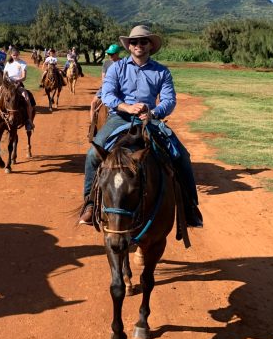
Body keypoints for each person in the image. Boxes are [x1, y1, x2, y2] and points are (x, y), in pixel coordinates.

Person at [78, 25, 203, 227]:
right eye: (134, 42)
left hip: (149, 119)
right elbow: (108, 94)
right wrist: (127, 107)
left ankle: (190, 207)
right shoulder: (116, 68)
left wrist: (152, 112)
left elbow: (169, 100)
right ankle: (90, 203)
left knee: (182, 156)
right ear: (129, 46)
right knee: (93, 155)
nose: (138, 45)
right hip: (120, 117)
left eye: (143, 41)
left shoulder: (162, 72)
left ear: (150, 45)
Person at [0, 48, 35, 131]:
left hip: (17, 85)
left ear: (19, 53)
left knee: (26, 98)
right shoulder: (8, 63)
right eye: (13, 55)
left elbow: (24, 77)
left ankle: (28, 121)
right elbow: (4, 74)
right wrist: (5, 81)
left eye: (17, 54)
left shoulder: (23, 63)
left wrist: (17, 80)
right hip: (7, 85)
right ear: (11, 55)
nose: (15, 56)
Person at [88, 43, 122, 120]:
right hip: (106, 86)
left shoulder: (123, 63)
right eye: (109, 54)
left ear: (117, 54)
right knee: (93, 103)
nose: (110, 56)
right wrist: (105, 91)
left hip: (120, 88)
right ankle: (93, 126)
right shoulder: (106, 63)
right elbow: (103, 77)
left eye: (112, 54)